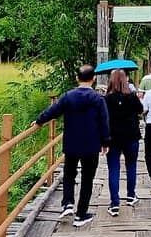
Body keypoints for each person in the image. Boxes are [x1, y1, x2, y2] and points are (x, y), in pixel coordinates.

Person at [32, 65, 109, 227]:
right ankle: (81, 214)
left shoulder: (68, 96)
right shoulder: (98, 99)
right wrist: (105, 142)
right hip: (91, 144)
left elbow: (53, 111)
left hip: (71, 143)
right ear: (94, 79)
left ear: (77, 78)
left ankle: (67, 204)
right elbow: (104, 121)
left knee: (69, 174)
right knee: (87, 179)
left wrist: (39, 121)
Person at [104, 69, 143, 216]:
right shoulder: (132, 97)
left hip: (112, 138)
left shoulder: (106, 99)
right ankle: (131, 195)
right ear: (126, 80)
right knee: (131, 166)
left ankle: (114, 203)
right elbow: (141, 110)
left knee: (113, 169)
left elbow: (102, 118)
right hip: (131, 137)